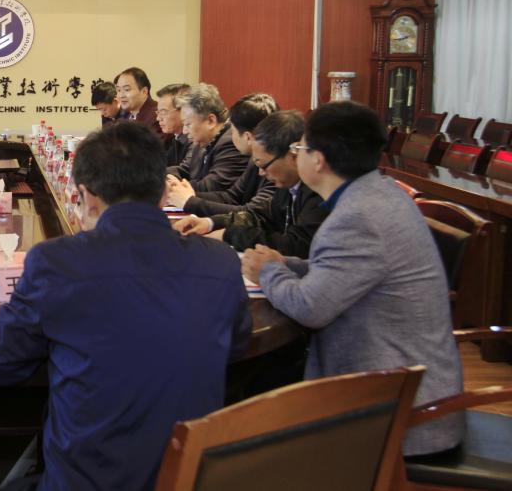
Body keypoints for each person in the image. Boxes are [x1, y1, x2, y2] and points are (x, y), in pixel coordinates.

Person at [0, 122, 251, 491]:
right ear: (163, 192)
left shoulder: (56, 262)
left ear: (86, 196)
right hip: (191, 479)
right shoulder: (220, 262)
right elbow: (235, 346)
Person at [242, 101, 464, 456]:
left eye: (299, 148)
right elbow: (344, 271)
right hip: (401, 384)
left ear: (318, 160)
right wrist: (287, 264)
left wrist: (269, 271)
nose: (296, 155)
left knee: (251, 394)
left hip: (400, 414)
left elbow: (310, 307)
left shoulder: (357, 217)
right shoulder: (379, 192)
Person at [175, 111, 328, 258]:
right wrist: (210, 222)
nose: (261, 173)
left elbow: (296, 246)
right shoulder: (287, 186)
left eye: (263, 166)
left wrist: (230, 234)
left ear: (292, 156)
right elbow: (260, 216)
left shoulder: (318, 191)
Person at [167, 92, 277, 216]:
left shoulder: (275, 165)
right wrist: (184, 196)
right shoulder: (255, 159)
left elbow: (253, 214)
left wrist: (189, 201)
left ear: (248, 137)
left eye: (233, 130)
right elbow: (232, 196)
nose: (185, 131)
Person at [168, 83, 248, 192]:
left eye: (188, 124)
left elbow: (212, 186)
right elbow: (185, 170)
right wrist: (158, 178)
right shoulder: (203, 139)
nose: (184, 131)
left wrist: (171, 188)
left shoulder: (232, 141)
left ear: (211, 121)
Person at [114, 67, 162, 136]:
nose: (121, 95)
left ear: (144, 91)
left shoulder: (157, 116)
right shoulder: (128, 116)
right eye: (118, 90)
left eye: (127, 89)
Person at [156, 83, 192, 167]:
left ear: (183, 111)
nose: (158, 118)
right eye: (158, 112)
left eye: (163, 112)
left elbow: (184, 170)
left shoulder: (194, 139)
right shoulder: (177, 137)